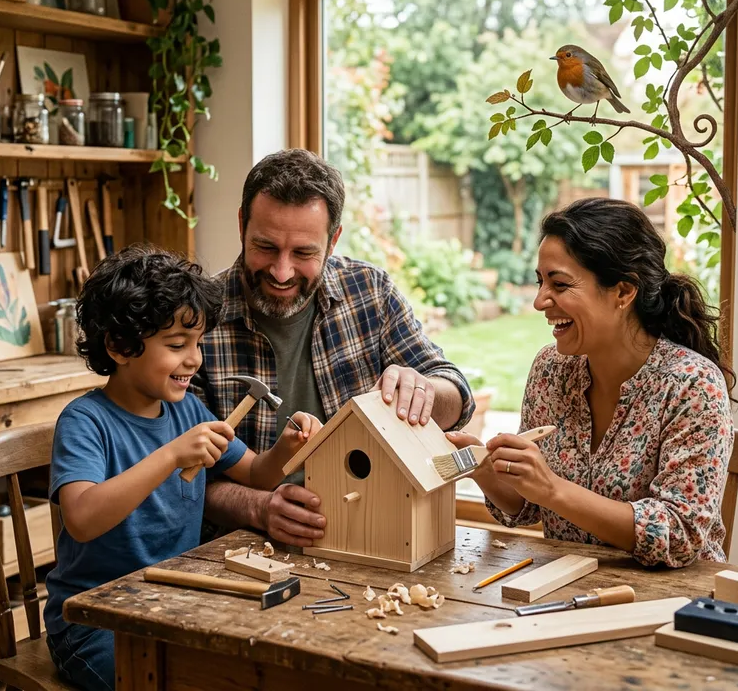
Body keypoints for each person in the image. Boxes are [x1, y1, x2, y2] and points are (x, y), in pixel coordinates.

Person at [44, 246, 321, 690]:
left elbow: (258, 475)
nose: (194, 359)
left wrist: (288, 446)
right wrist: (170, 456)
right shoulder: (85, 421)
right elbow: (81, 519)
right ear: (119, 346)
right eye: (176, 345)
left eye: (197, 343)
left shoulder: (188, 411)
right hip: (94, 621)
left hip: (172, 603)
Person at [191, 148, 475, 546]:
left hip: (369, 534)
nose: (282, 271)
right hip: (243, 548)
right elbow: (186, 478)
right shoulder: (197, 319)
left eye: (304, 253)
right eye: (266, 247)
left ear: (334, 238)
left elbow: (457, 396)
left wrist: (425, 391)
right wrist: (259, 507)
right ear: (242, 225)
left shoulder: (370, 293)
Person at [448, 197, 735, 568]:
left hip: (677, 603)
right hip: (566, 588)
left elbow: (679, 535)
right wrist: (487, 471)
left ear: (623, 292)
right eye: (540, 282)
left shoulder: (693, 386)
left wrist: (553, 489)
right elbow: (528, 507)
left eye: (560, 284)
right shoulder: (551, 370)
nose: (539, 301)